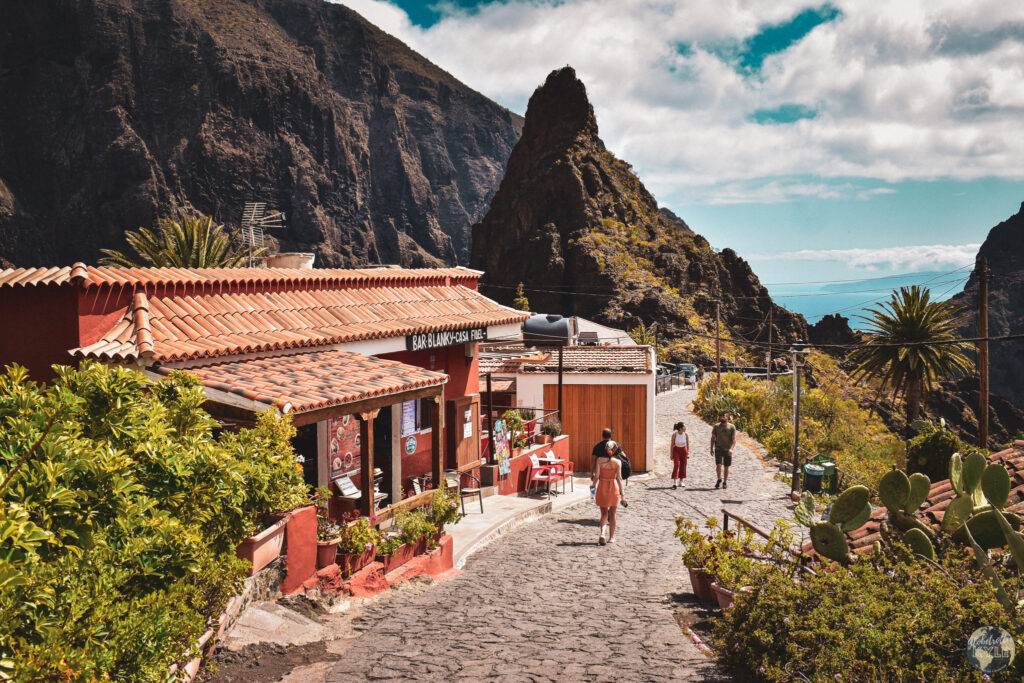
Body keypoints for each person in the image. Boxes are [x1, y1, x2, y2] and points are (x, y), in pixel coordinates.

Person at [592, 440, 626, 545]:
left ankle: (602, 533)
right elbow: (619, 479)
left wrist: (593, 486)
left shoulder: (599, 460)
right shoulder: (618, 462)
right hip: (613, 487)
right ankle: (611, 537)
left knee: (603, 513)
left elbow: (597, 476)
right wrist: (623, 496)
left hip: (602, 485)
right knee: (613, 513)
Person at [710, 411, 736, 489]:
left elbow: (734, 439)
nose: (722, 418)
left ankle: (725, 482)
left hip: (727, 449)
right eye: (721, 416)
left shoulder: (731, 427)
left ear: (727, 418)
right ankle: (719, 479)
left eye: (724, 416)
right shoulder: (716, 426)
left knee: (726, 466)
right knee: (718, 465)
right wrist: (711, 448)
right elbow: (713, 438)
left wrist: (731, 449)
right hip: (718, 448)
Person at [670, 421, 688, 489]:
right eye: (684, 427)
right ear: (680, 428)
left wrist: (688, 452)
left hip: (683, 450)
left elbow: (688, 444)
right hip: (676, 450)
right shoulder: (675, 434)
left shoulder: (686, 434)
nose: (685, 428)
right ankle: (675, 481)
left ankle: (681, 481)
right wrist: (671, 454)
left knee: (683, 465)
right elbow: (672, 445)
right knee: (676, 465)